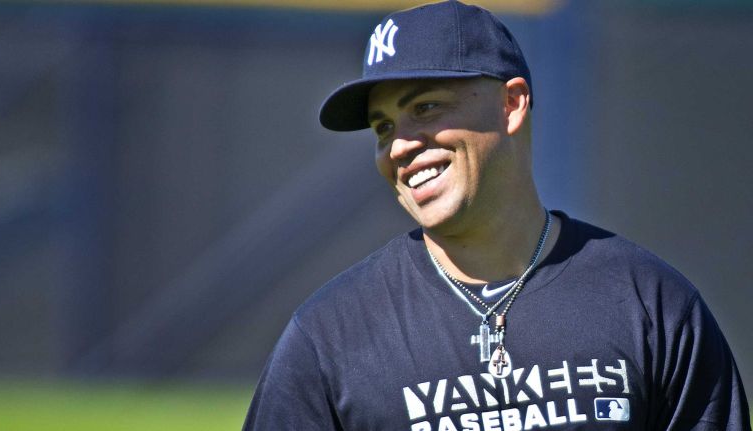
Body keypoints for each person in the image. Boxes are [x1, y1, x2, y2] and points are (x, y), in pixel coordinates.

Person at [243, 1, 750, 430]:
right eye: (382, 127)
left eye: (425, 108)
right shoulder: (329, 336)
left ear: (511, 104)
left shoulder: (650, 303)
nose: (399, 145)